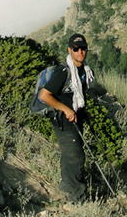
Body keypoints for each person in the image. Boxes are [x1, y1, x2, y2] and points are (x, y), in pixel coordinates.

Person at [38, 33, 94, 203]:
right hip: (62, 120)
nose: (80, 52)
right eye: (76, 49)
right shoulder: (64, 71)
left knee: (71, 155)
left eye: (83, 48)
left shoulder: (84, 71)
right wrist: (66, 109)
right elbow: (44, 95)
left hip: (75, 118)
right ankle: (77, 197)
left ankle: (66, 188)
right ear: (69, 50)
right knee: (76, 157)